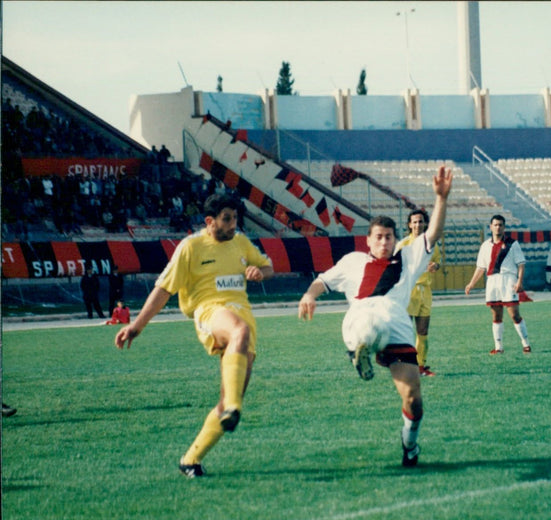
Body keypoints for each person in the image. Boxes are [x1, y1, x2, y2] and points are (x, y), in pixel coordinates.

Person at [298, 166, 452, 468]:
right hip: (360, 318)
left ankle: (409, 445)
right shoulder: (353, 261)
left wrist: (441, 199)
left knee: (414, 401)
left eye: (389, 237)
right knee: (369, 323)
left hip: (396, 327)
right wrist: (309, 295)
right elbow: (323, 281)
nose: (384, 242)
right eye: (379, 237)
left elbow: (432, 232)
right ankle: (361, 349)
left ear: (396, 240)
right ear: (368, 241)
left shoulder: (408, 258)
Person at [114, 193, 274, 478]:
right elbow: (164, 289)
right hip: (211, 312)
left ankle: (191, 459)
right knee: (239, 331)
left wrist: (260, 271)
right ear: (209, 221)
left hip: (243, 312)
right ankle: (234, 407)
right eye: (227, 219)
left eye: (235, 218)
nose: (233, 224)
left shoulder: (241, 243)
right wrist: (136, 325)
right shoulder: (190, 247)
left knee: (228, 399)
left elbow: (267, 265)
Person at [464, 214, 532, 355]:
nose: (498, 227)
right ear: (491, 227)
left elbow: (521, 264)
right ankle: (498, 347)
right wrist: (471, 284)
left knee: (514, 315)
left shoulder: (512, 244)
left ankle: (526, 344)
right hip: (492, 281)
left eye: (500, 225)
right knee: (496, 316)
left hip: (508, 280)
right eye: (495, 225)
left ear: (504, 227)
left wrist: (519, 281)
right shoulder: (485, 246)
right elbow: (480, 267)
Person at [394, 209, 442, 377]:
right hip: (409, 291)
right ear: (409, 224)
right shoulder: (404, 244)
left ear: (425, 224)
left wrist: (435, 266)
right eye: (414, 222)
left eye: (420, 221)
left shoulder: (431, 244)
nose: (417, 224)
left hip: (425, 292)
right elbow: (394, 266)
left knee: (423, 331)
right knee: (405, 332)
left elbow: (437, 261)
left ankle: (421, 367)